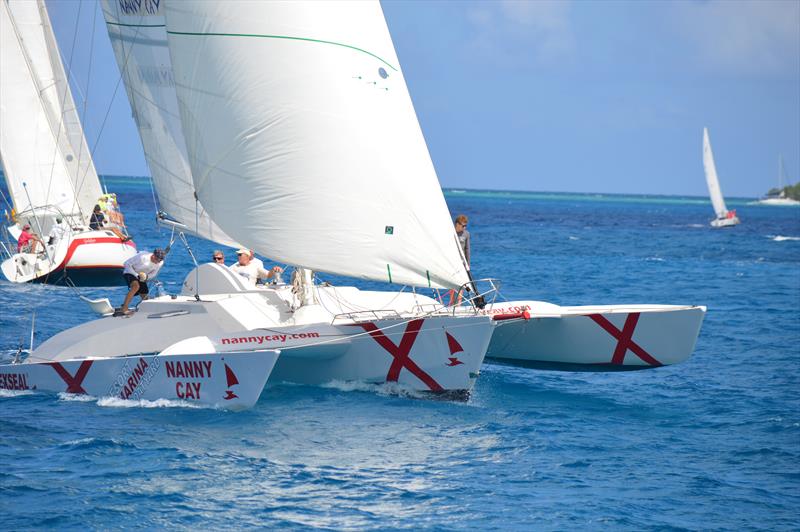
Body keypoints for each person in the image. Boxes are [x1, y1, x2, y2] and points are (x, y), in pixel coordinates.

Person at [118, 248, 166, 315]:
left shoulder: (160, 263)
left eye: (160, 260)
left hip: (142, 276)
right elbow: (126, 264)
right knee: (136, 286)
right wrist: (136, 275)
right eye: (157, 259)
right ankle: (124, 308)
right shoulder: (142, 257)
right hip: (130, 272)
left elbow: (153, 273)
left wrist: (146, 277)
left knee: (145, 294)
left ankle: (146, 309)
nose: (158, 262)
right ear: (153, 255)